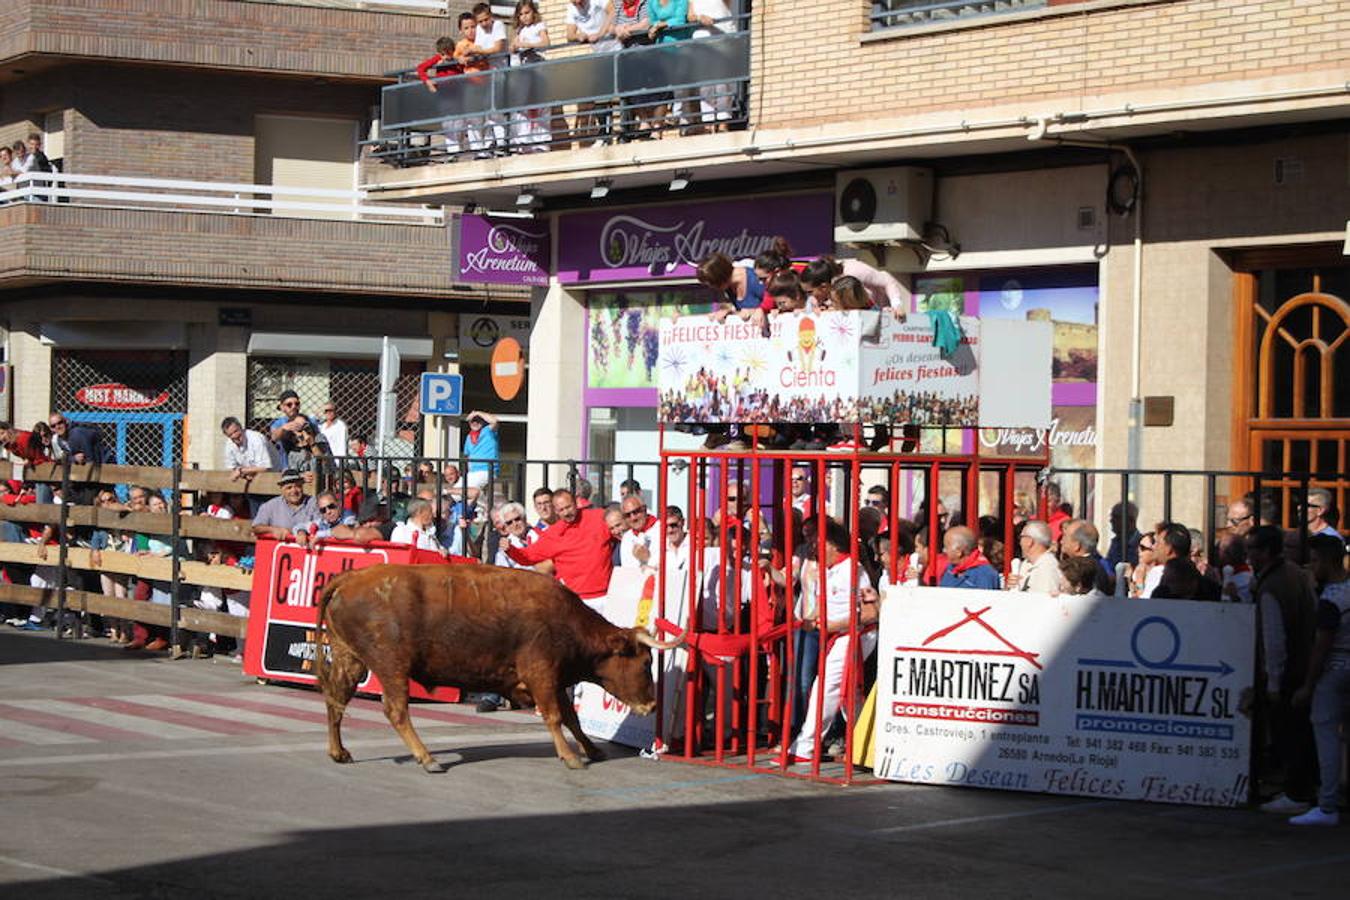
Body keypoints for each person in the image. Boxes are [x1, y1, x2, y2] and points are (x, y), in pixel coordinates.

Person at [788, 518, 880, 765]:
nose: (815, 550)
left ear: (833, 545)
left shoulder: (854, 570)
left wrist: (834, 625)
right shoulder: (827, 571)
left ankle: (805, 748)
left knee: (826, 687)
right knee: (849, 695)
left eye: (819, 544)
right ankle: (867, 745)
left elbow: (870, 612)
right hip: (838, 636)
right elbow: (822, 606)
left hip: (855, 636)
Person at [1247, 524, 1319, 815]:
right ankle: (1302, 787)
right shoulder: (1295, 574)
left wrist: (1274, 683)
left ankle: (1296, 791)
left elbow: (1274, 639)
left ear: (1265, 552)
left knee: (1290, 733)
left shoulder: (1272, 586)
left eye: (1253, 549)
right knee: (1301, 731)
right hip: (1305, 662)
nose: (1249, 555)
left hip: (1289, 671)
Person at [1288, 534, 1350, 826]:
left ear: (1325, 561)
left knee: (1326, 735)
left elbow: (1321, 645)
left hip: (1335, 669)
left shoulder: (1331, 599)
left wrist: (1308, 685)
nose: (1310, 566)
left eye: (1314, 561)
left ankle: (1327, 805)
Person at [505, 488, 615, 609]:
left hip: (608, 594)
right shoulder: (552, 534)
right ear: (556, 511)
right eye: (561, 510)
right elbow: (528, 556)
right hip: (576, 599)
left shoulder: (598, 517)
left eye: (568, 507)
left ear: (576, 503)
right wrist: (510, 550)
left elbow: (620, 525)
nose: (566, 512)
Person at [565, 0, 618, 146]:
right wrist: (579, 36)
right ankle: (604, 135)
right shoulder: (571, 8)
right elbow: (569, 34)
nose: (577, 3)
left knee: (623, 91)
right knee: (599, 94)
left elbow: (613, 11)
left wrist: (600, 33)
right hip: (599, 54)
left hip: (616, 47)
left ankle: (627, 132)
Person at [800, 255, 906, 320]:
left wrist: (897, 305)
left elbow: (886, 280)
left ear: (823, 287)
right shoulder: (829, 292)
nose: (809, 296)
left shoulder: (853, 271)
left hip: (880, 319)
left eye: (810, 292)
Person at [509, 0, 552, 151]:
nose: (524, 17)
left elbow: (546, 42)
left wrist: (527, 45)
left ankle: (542, 141)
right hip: (524, 70)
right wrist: (514, 47)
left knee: (540, 105)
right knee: (524, 106)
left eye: (527, 13)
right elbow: (513, 46)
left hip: (538, 68)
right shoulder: (520, 31)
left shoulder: (539, 26)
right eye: (521, 14)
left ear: (533, 12)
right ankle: (525, 140)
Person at [416, 36, 468, 158]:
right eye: (443, 54)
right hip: (444, 95)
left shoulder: (456, 59)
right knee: (448, 124)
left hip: (458, 95)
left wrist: (460, 62)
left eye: (448, 52)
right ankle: (452, 152)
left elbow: (464, 70)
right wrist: (428, 82)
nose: (446, 56)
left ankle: (458, 148)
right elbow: (421, 68)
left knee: (460, 124)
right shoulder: (438, 59)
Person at [689, 0, 734, 132]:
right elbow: (690, 16)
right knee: (705, 84)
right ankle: (708, 122)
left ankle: (723, 121)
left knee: (722, 82)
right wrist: (699, 18)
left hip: (723, 35)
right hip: (702, 38)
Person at [472, 3, 509, 153]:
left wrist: (481, 51)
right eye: (480, 21)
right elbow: (477, 50)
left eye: (486, 20)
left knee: (497, 109)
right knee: (487, 110)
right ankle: (489, 143)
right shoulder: (480, 30)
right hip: (485, 73)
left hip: (499, 70)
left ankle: (502, 142)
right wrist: (479, 52)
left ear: (491, 16)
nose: (484, 24)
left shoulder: (498, 25)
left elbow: (497, 48)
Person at [1150, 523, 1220, 602]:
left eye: (1158, 543)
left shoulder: (1206, 588)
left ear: (1169, 549)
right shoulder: (1209, 587)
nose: (1153, 546)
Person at [251, 470, 320, 543]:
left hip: (308, 550)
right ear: (282, 489)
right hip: (279, 550)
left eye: (298, 486)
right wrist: (273, 529)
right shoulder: (270, 505)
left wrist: (302, 531)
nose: (294, 491)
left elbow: (321, 525)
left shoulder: (314, 503)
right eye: (289, 488)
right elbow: (255, 528)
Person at [1060, 519, 1115, 595]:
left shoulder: (1085, 569)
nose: (1061, 541)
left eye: (1065, 537)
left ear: (1077, 545)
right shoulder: (1095, 565)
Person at [1007, 520, 1061, 594]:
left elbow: (1044, 601)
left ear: (1030, 541)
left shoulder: (1048, 567)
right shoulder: (1025, 564)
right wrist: (1009, 587)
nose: (1019, 543)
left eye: (1021, 537)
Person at [221, 416, 278, 481]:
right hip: (254, 479)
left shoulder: (256, 439)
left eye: (236, 431)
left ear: (241, 428)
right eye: (230, 434)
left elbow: (265, 467)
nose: (235, 435)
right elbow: (232, 469)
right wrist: (244, 474)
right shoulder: (229, 445)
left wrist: (241, 471)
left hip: (274, 474)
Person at [268, 390, 319, 460]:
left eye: (297, 404)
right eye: (289, 404)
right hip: (286, 464)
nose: (294, 407)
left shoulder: (310, 421)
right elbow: (274, 437)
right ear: (282, 407)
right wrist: (284, 428)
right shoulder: (278, 423)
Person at [48, 413, 115, 464]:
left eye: (60, 423)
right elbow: (65, 458)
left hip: (106, 462)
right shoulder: (59, 440)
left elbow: (90, 459)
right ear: (51, 429)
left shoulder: (77, 434)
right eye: (53, 426)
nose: (57, 427)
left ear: (65, 421)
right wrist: (74, 459)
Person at [619, 494, 661, 570]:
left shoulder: (661, 529)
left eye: (636, 512)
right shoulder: (627, 538)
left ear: (644, 509)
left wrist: (647, 559)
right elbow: (627, 570)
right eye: (627, 515)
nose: (633, 518)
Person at [462, 410, 500, 494]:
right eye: (473, 421)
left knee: (463, 491)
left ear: (482, 422)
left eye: (478, 421)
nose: (475, 423)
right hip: (473, 472)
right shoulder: (469, 437)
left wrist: (477, 413)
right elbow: (468, 456)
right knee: (468, 493)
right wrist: (469, 471)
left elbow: (495, 421)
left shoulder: (488, 431)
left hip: (487, 470)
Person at [1106, 501, 1141, 569]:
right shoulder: (1115, 542)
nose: (1111, 520)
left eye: (1116, 517)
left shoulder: (1141, 544)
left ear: (1131, 520)